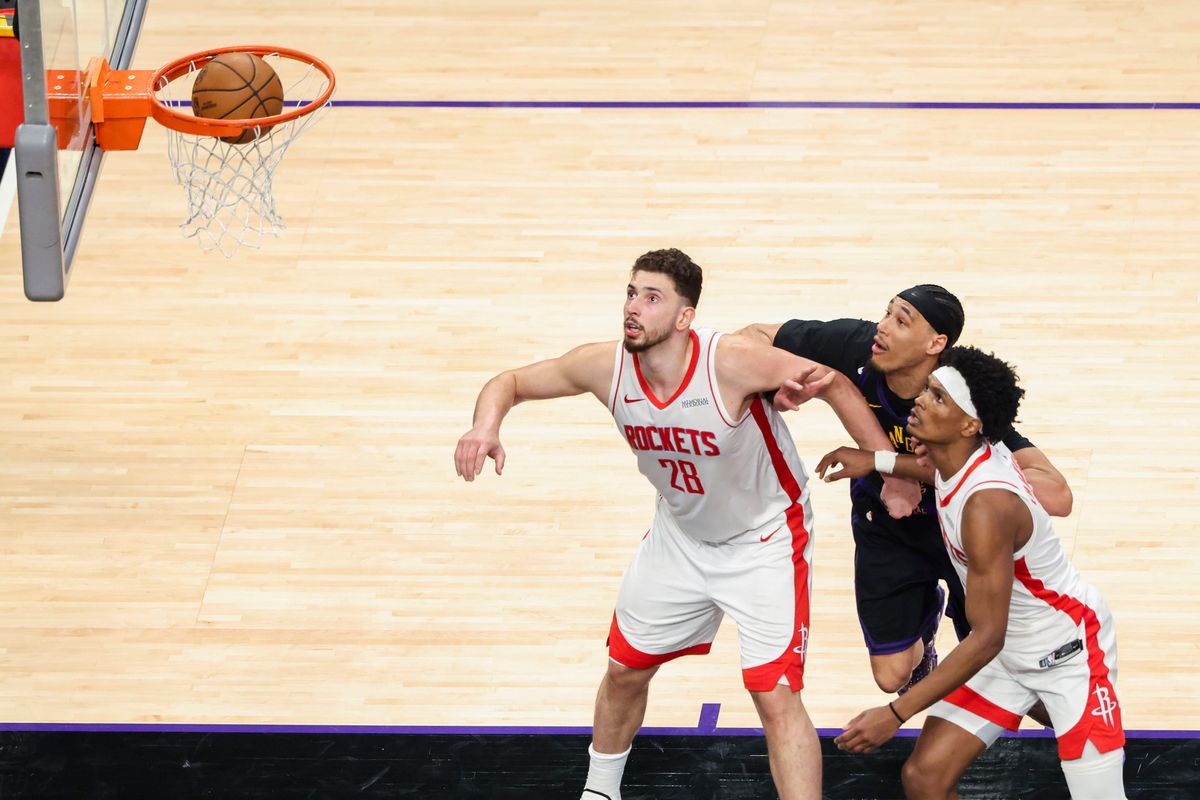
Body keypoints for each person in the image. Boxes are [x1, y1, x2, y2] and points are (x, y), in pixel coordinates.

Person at [454, 249, 911, 800]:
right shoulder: (603, 366)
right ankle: (599, 792)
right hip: (681, 537)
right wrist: (485, 426)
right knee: (624, 670)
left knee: (775, 694)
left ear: (684, 316)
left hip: (764, 538)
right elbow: (510, 381)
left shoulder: (732, 362)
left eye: (652, 298)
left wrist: (891, 468)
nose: (634, 308)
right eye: (631, 293)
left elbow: (835, 381)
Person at [738, 287, 1073, 696]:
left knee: (996, 669)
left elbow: (1058, 496)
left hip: (964, 535)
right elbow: (750, 338)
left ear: (937, 344)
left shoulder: (960, 394)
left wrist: (907, 468)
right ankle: (925, 630)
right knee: (891, 677)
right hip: (887, 526)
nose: (883, 326)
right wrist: (777, 381)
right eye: (887, 313)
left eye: (902, 321)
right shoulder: (857, 346)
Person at [832, 346, 1126, 800]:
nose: (922, 401)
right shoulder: (961, 458)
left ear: (970, 425)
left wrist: (895, 713)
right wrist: (874, 460)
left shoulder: (988, 506)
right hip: (1011, 656)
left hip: (1068, 654)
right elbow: (931, 471)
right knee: (924, 779)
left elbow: (987, 635)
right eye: (929, 390)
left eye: (939, 398)